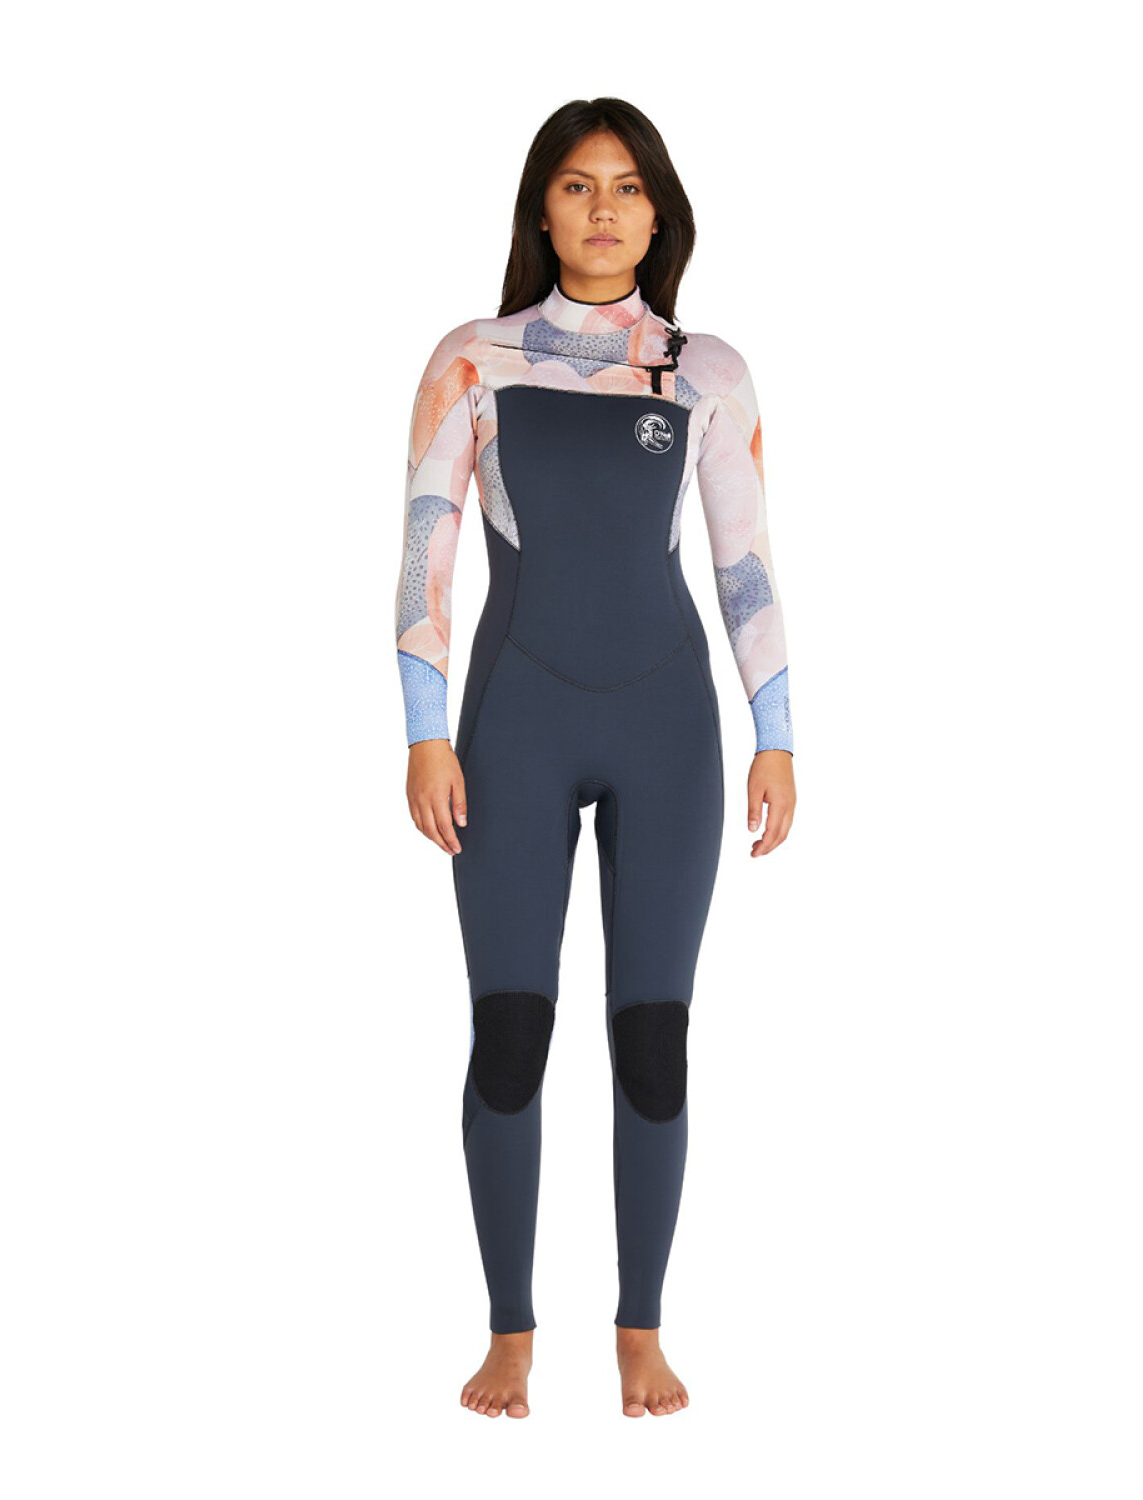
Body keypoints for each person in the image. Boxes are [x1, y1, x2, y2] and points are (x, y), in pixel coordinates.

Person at [393, 97, 796, 1419]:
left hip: (666, 732)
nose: (604, 208)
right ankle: (509, 1332)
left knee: (653, 1039)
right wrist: (425, 732)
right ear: (543, 208)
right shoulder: (473, 359)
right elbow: (426, 552)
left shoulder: (704, 369)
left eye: (627, 186)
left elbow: (743, 566)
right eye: (577, 185)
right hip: (511, 724)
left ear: (659, 212)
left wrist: (776, 736)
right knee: (510, 1034)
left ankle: (639, 1330)